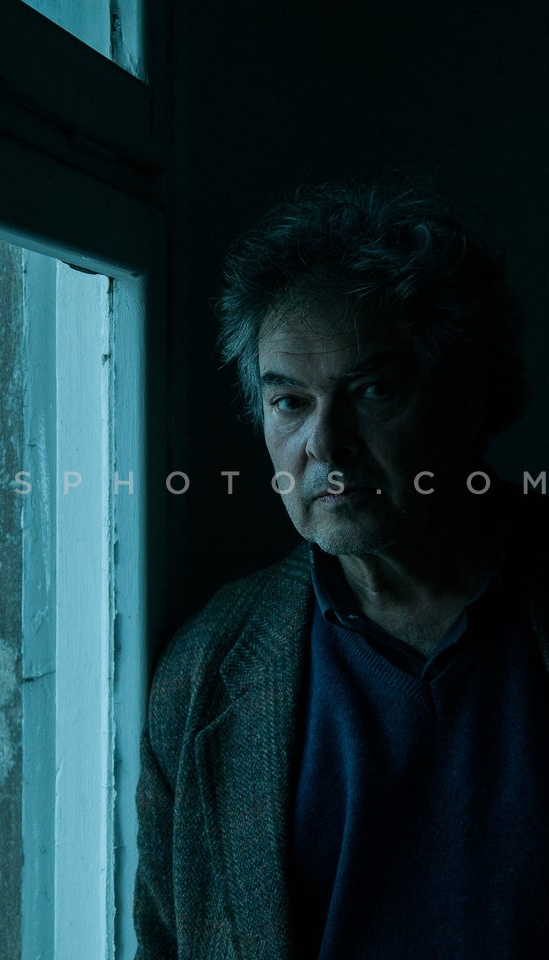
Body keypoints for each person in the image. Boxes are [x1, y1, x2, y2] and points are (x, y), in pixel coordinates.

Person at [133, 179, 549, 959]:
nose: (326, 443)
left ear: (468, 401)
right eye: (289, 402)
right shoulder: (204, 671)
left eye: (374, 390)